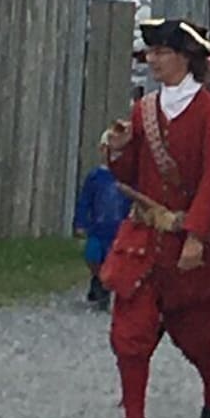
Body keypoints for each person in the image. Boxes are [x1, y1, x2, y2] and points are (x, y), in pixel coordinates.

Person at [100, 18, 210, 418]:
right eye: (152, 53)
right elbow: (129, 178)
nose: (154, 61)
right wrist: (121, 149)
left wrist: (197, 233)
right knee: (129, 334)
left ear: (185, 57)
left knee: (197, 337)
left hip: (187, 240)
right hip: (143, 239)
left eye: (161, 52)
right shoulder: (144, 111)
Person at [73, 132, 131, 308]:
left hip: (119, 229)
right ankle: (98, 279)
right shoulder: (95, 177)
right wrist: (81, 222)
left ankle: (105, 288)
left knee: (114, 260)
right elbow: (85, 200)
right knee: (93, 255)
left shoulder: (128, 178)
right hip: (98, 227)